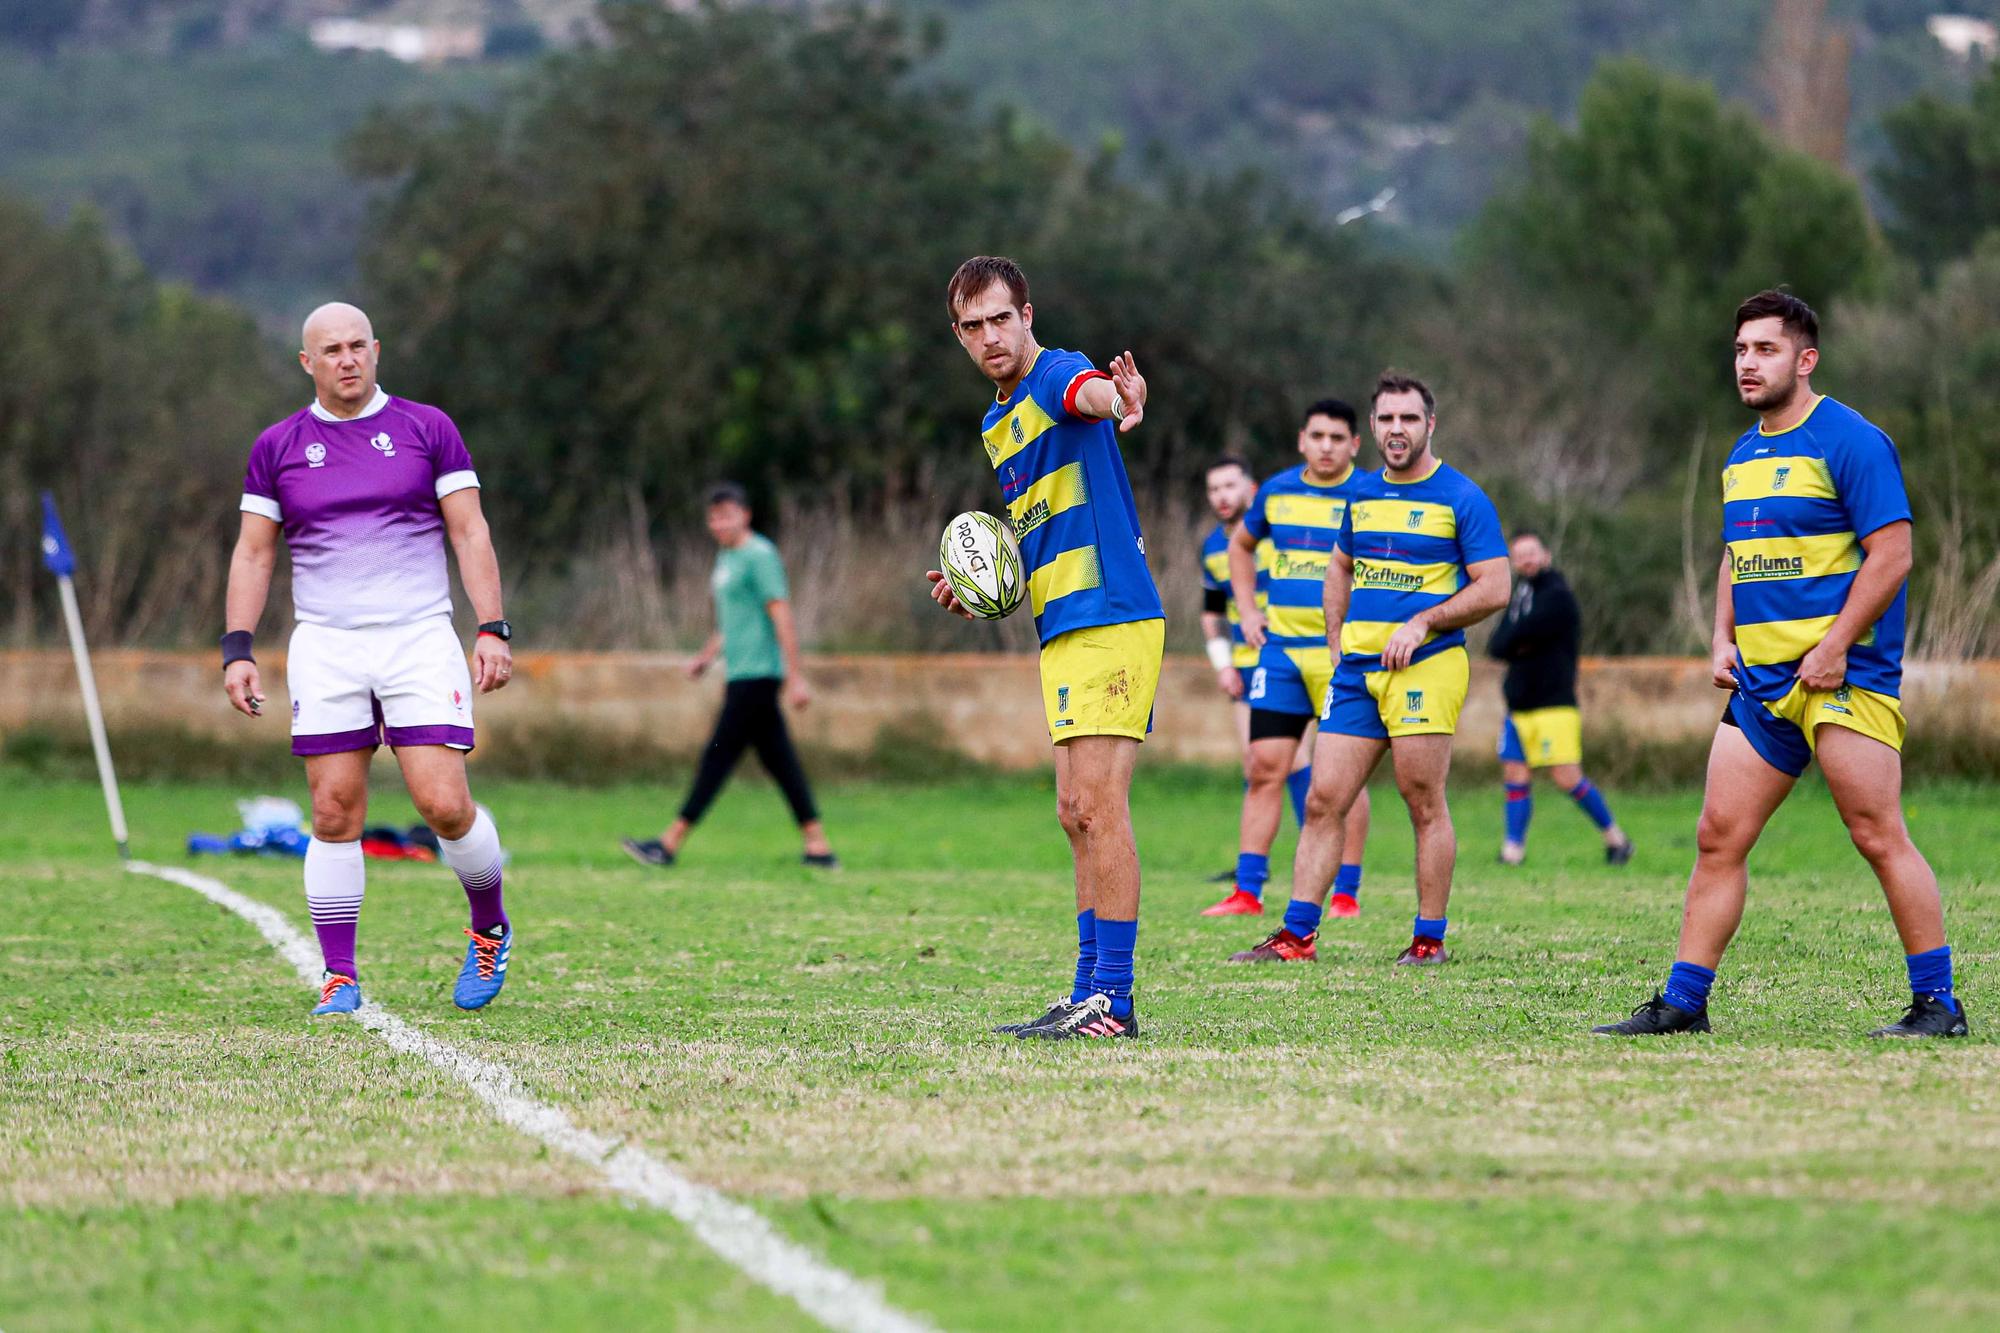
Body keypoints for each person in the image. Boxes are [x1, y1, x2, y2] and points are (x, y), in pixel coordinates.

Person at [1595, 290, 1967, 1038]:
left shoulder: (1852, 440)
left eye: (1764, 349)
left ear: (1806, 358)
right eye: (1739, 349)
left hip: (1844, 677)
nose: (1747, 363)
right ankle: (1684, 1002)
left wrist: (1834, 649)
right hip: (1762, 684)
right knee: (1716, 836)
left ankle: (1939, 1003)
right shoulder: (1743, 454)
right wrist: (1721, 634)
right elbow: (1740, 552)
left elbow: (1894, 554)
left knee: (1876, 832)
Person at [223, 302, 516, 1017]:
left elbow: (470, 531)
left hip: (417, 634)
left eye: (358, 346)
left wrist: (492, 626)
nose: (347, 358)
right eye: (332, 349)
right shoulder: (279, 446)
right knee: (331, 810)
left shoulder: (427, 428)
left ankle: (489, 926)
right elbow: (255, 550)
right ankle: (339, 976)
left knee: (443, 805)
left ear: (377, 351)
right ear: (307, 362)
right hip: (327, 642)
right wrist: (238, 646)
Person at [928, 255, 1161, 1040]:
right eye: (973, 326)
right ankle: (1086, 988)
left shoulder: (1057, 373)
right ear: (958, 336)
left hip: (1113, 615)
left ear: (1028, 315)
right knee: (1073, 811)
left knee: (1102, 804)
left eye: (1002, 318)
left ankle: (1116, 1001)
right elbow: (1041, 531)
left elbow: (1090, 392)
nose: (991, 336)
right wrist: (982, 586)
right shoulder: (998, 424)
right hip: (1060, 624)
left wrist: (1119, 398)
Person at [1230, 371, 1509, 967]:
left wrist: (1425, 622)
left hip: (1427, 666)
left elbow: (1497, 587)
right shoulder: (1362, 495)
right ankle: (1295, 936)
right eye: (1386, 419)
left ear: (1430, 424)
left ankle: (1428, 939)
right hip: (1356, 671)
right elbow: (1339, 568)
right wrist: (1335, 640)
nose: (1397, 430)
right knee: (1323, 799)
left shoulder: (1462, 497)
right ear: (1374, 427)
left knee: (1421, 799)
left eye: (1409, 419)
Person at [1204, 403, 1373, 918]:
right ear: (1302, 439)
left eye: (1337, 437)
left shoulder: (1370, 494)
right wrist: (1249, 611)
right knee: (1263, 769)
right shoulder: (1277, 491)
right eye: (1317, 435)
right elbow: (1240, 547)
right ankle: (1248, 891)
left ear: (1353, 445)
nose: (1326, 445)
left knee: (1341, 779)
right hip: (1280, 656)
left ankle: (1345, 892)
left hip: (1342, 660)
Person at [622, 484, 837, 870]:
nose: (719, 523)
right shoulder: (726, 559)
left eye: (727, 514)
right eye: (713, 516)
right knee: (779, 761)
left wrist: (796, 677)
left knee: (717, 758)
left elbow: (780, 614)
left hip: (758, 675)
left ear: (745, 515)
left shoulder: (760, 555)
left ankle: (668, 843)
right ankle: (818, 846)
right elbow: (731, 621)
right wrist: (705, 658)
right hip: (739, 673)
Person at [1194, 457, 1317, 891]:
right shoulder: (1212, 547)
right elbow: (1211, 613)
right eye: (1214, 489)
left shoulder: (1281, 535)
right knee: (1258, 763)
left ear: (1254, 486)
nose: (1222, 496)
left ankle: (1318, 853)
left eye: (1230, 485)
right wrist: (1222, 663)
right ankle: (1254, 867)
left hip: (1287, 661)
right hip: (1244, 669)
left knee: (1296, 760)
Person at [1488, 530, 1633, 865]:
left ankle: (1616, 839)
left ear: (1546, 555)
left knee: (1567, 777)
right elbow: (1498, 644)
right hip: (1518, 705)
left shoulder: (1558, 595)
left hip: (1553, 703)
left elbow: (1523, 633)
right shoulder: (1519, 594)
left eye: (1531, 552)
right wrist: (1516, 642)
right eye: (1519, 554)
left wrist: (1517, 641)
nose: (1525, 559)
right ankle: (1513, 851)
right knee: (1515, 774)